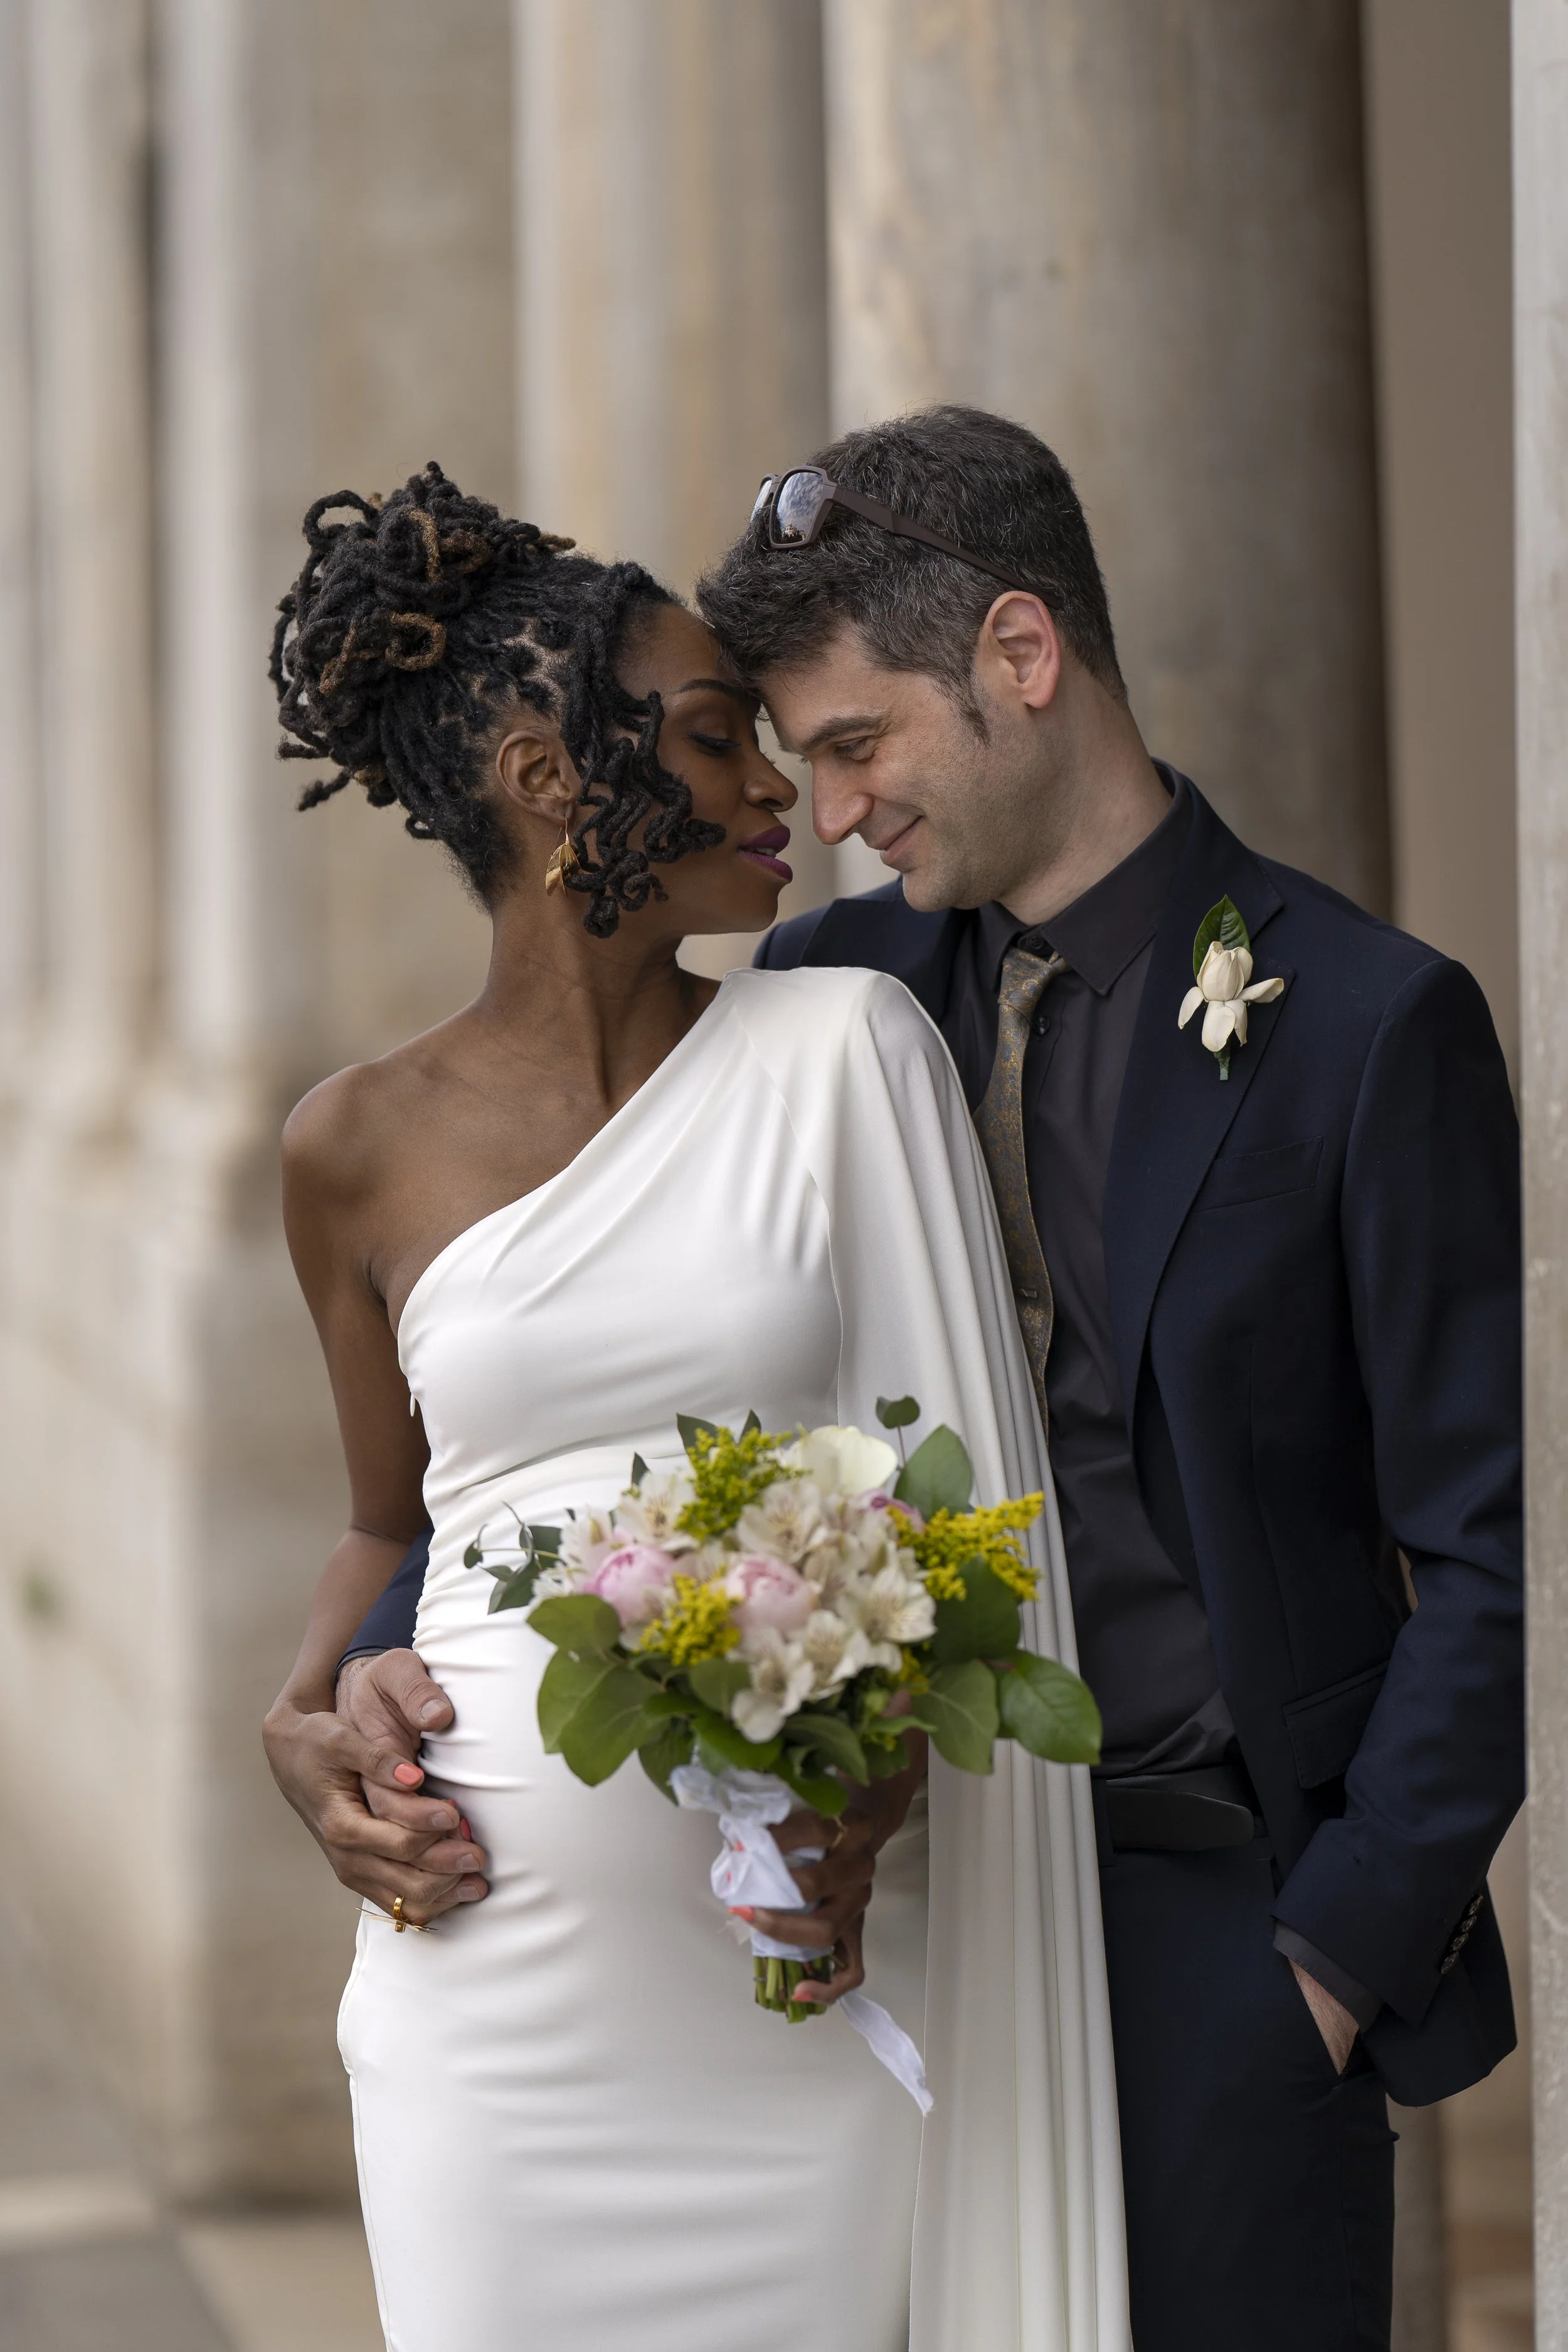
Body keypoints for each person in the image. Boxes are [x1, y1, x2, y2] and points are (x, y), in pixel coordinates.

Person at [304, 408, 1525, 2352]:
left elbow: (1482, 1557)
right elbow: (569, 1391)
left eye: (860, 744)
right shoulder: (820, 1002)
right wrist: (375, 1652)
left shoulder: (1371, 1027)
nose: (836, 807)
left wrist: (1332, 1959)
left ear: (1019, 661)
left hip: (1217, 1918)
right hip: (886, 1932)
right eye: (796, 761)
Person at [262, 462, 1127, 2352]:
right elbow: (387, 1526)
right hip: (483, 2008)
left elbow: (964, 1512)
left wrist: (890, 1775)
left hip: (796, 1988)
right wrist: (305, 1716)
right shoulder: (349, 1148)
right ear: (547, 778)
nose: (779, 797)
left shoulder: (844, 1053)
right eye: (721, 736)